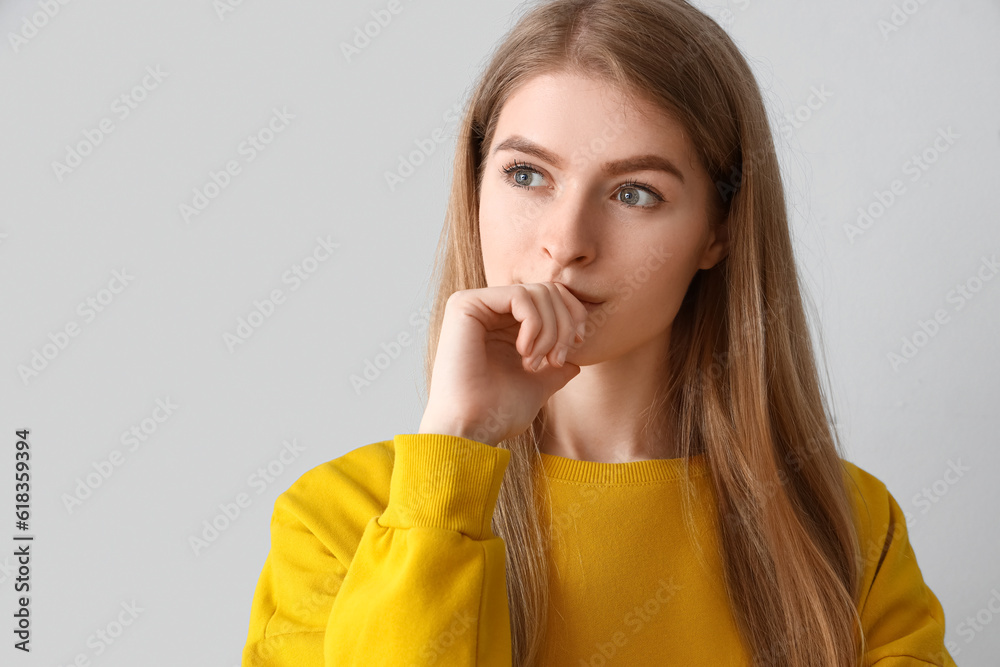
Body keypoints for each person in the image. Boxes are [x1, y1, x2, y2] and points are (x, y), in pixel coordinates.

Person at [242, 1, 958, 665]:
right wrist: (457, 453)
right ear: (474, 185)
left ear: (719, 230)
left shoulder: (845, 528)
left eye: (634, 193)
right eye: (526, 174)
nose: (566, 241)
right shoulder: (339, 520)